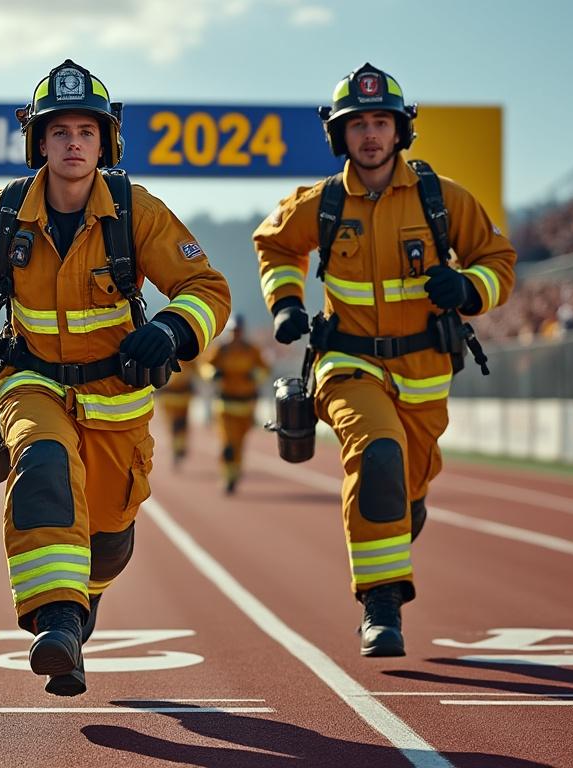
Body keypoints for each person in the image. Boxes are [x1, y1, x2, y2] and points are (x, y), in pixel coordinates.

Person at [0, 59, 230, 696]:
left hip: (116, 398)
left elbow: (206, 288)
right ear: (39, 141)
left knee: (110, 537)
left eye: (85, 133)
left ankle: (79, 611)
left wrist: (172, 329)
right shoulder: (4, 210)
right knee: (42, 466)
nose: (72, 144)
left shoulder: (136, 211)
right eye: (58, 131)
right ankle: (56, 621)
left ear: (105, 141)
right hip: (30, 382)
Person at [254, 63, 516, 656]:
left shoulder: (443, 198)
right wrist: (287, 302)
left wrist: (470, 287)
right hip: (347, 364)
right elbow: (274, 242)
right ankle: (381, 607)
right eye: (358, 125)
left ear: (401, 131)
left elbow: (498, 260)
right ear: (339, 136)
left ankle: (404, 507)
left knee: (404, 485)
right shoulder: (319, 203)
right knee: (376, 455)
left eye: (381, 122)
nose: (370, 135)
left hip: (425, 374)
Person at [204, 315, 269, 495]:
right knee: (228, 444)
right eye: (233, 331)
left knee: (239, 443)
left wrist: (255, 375)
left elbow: (265, 368)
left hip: (246, 405)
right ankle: (227, 476)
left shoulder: (251, 350)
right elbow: (205, 366)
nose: (235, 335)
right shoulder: (221, 350)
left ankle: (235, 473)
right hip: (225, 405)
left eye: (238, 331)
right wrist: (212, 373)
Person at [155, 350, 200, 468]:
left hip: (183, 396)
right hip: (168, 397)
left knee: (181, 423)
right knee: (173, 425)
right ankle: (177, 447)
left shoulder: (189, 355)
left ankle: (179, 447)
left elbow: (199, 371)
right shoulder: (162, 352)